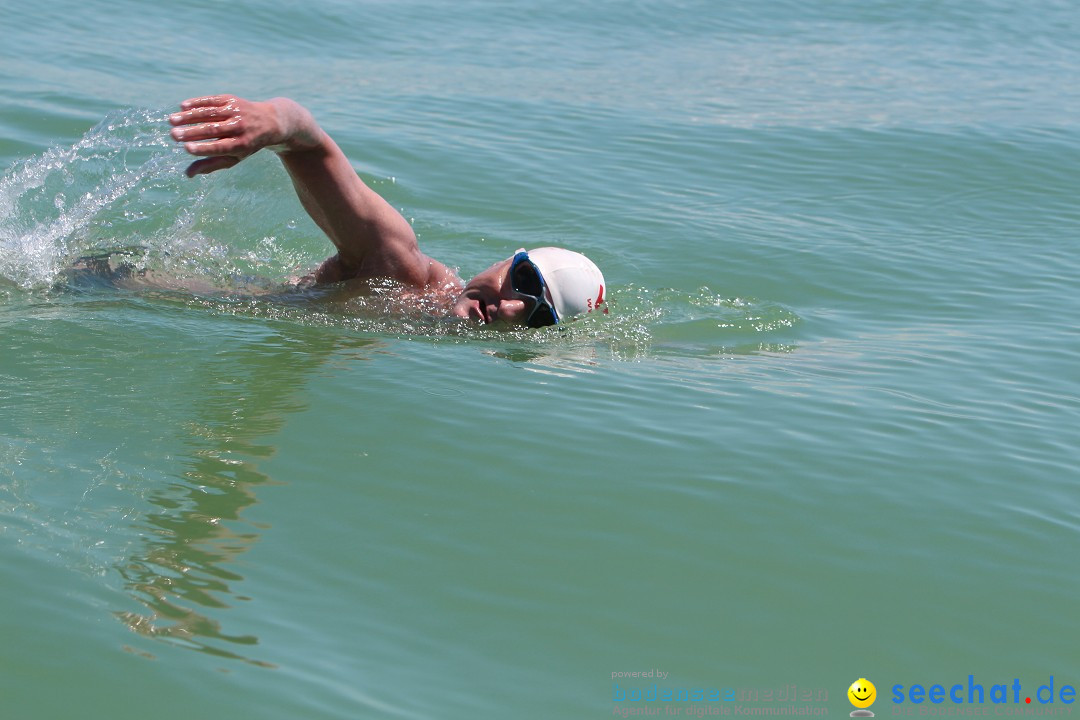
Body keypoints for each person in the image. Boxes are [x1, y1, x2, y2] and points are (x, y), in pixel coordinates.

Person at [167, 95, 606, 328]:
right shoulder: (403, 273)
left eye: (537, 315)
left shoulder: (424, 319)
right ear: (506, 261)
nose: (510, 306)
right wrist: (273, 122)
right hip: (121, 286)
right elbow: (307, 138)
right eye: (524, 280)